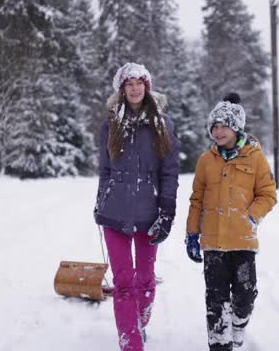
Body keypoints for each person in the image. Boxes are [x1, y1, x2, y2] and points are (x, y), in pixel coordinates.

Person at [94, 62, 180, 351]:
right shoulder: (110, 125)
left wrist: (167, 212)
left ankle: (139, 324)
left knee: (144, 280)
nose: (134, 87)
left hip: (149, 213)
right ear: (122, 89)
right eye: (128, 83)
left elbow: (170, 171)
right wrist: (100, 202)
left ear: (147, 87)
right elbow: (104, 170)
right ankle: (130, 343)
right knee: (123, 282)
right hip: (114, 213)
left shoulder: (163, 125)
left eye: (139, 82)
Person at [185, 93, 277, 350]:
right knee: (215, 301)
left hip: (242, 243)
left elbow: (268, 194)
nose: (218, 131)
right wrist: (192, 234)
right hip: (213, 244)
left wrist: (250, 216)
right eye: (214, 127)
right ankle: (219, 344)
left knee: (245, 296)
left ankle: (238, 323)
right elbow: (197, 200)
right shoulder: (205, 161)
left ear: (236, 127)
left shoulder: (255, 157)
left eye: (224, 125)